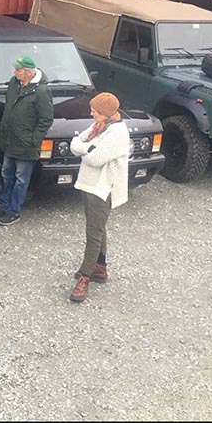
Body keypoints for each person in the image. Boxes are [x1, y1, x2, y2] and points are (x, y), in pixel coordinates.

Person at [68, 92, 130, 303]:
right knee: (98, 227)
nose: (91, 113)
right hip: (89, 183)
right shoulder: (98, 126)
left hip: (103, 188)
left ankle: (85, 276)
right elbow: (75, 143)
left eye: (95, 110)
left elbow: (96, 160)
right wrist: (88, 147)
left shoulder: (117, 133)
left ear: (106, 113)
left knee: (93, 232)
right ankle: (100, 268)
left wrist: (84, 150)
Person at [0, 54, 54, 226]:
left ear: (29, 73)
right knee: (6, 174)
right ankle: (2, 207)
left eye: (19, 70)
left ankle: (13, 211)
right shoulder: (14, 83)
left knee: (21, 179)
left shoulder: (41, 92)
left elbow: (46, 119)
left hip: (26, 145)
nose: (15, 72)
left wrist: (33, 139)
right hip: (9, 141)